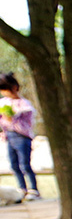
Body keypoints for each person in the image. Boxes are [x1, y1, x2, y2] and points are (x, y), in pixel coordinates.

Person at [0, 72, 39, 201]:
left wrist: (12, 118)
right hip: (9, 137)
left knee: (25, 164)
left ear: (15, 87)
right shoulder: (4, 103)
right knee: (14, 164)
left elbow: (26, 119)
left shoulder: (24, 104)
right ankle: (22, 189)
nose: (4, 93)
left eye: (6, 90)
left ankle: (33, 189)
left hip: (22, 137)